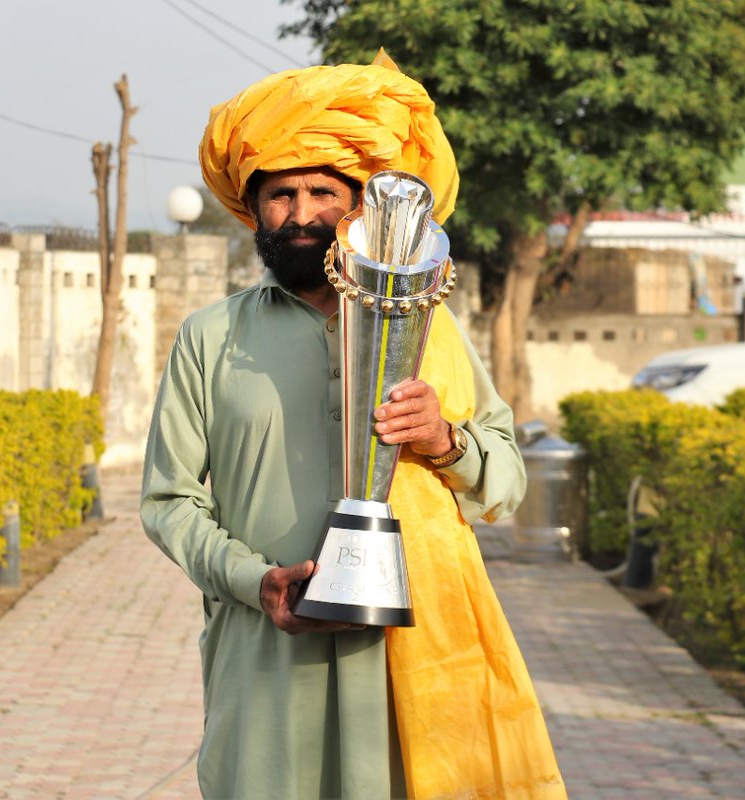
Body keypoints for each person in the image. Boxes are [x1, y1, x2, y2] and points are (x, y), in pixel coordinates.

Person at [141, 54, 567, 800]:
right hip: (269, 648)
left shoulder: (429, 327)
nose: (301, 214)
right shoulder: (209, 337)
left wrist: (445, 441)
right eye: (280, 195)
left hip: (413, 659)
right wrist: (255, 581)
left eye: (321, 193)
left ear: (359, 207)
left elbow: (507, 479)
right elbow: (168, 501)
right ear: (253, 208)